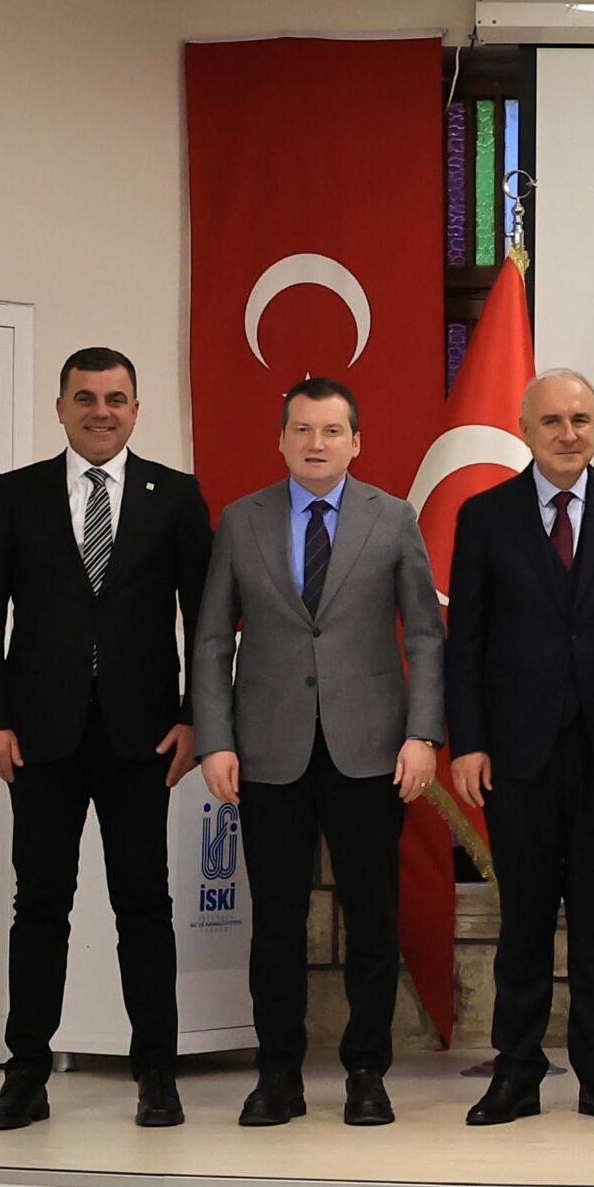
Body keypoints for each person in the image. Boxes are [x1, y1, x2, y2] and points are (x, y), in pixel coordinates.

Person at [0, 347, 212, 1131]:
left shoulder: (175, 495)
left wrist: (197, 717)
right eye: (86, 397)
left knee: (144, 904)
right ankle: (25, 1074)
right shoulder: (17, 493)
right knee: (40, 903)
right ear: (61, 407)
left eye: (116, 398)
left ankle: (157, 1074)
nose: (102, 411)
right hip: (39, 737)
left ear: (136, 409)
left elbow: (206, 618)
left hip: (144, 736)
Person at [193, 376, 445, 1128]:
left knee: (372, 919)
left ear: (356, 441)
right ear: (281, 439)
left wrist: (424, 734)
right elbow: (212, 638)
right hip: (267, 751)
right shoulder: (241, 520)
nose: (316, 443)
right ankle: (278, 1075)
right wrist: (215, 739)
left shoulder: (392, 517)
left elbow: (425, 635)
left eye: (332, 430)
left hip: (371, 749)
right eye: (302, 429)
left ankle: (367, 1072)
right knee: (275, 923)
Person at [447, 369, 594, 1129]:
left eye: (581, 419)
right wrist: (468, 741)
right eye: (552, 421)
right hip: (516, 754)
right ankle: (516, 1071)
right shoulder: (485, 515)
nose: (568, 433)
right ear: (525, 428)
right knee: (525, 920)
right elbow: (465, 640)